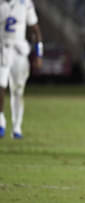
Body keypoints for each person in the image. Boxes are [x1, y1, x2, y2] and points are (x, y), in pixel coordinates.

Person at [0, 0, 43, 139]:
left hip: (19, 51)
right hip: (2, 49)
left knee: (18, 90)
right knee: (1, 85)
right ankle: (1, 121)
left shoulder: (24, 2)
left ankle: (17, 127)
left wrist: (39, 54)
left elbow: (35, 29)